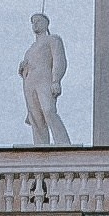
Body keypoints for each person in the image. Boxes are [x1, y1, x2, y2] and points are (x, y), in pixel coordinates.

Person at [19, 13, 71, 145]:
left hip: (45, 79)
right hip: (30, 82)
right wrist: (22, 70)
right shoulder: (30, 50)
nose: (35, 24)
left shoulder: (53, 40)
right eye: (33, 22)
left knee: (48, 110)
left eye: (38, 21)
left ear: (46, 24)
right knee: (35, 117)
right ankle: (40, 146)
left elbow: (59, 60)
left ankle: (63, 142)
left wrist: (56, 80)